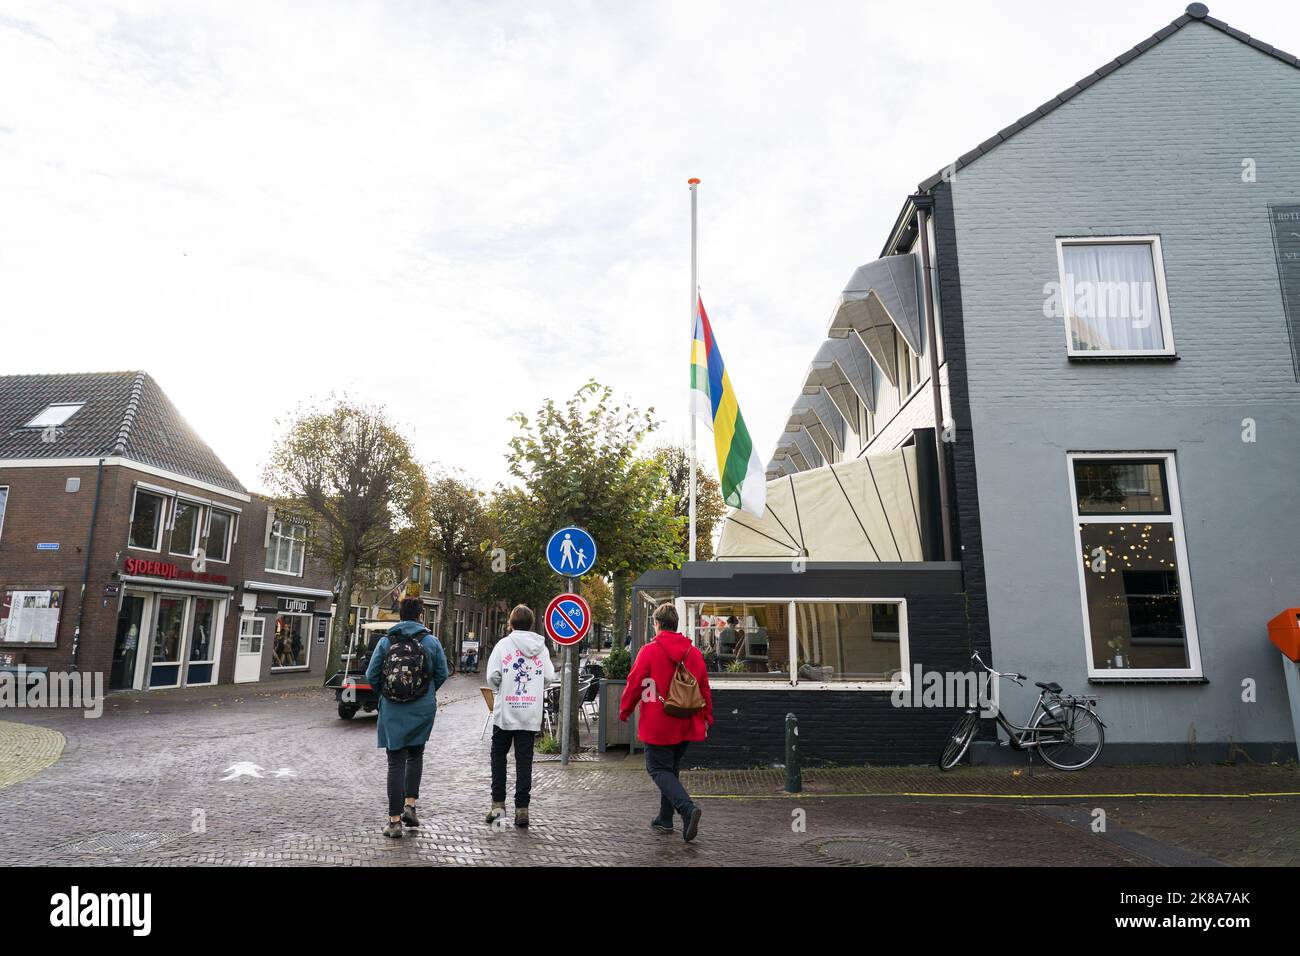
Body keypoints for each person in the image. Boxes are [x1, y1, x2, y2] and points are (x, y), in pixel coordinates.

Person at [619, 602, 713, 843]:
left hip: (659, 722)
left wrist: (625, 709)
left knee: (658, 769)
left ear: (657, 624)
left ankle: (687, 809)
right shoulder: (693, 652)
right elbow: (704, 687)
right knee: (670, 769)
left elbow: (634, 683)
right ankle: (665, 817)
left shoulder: (649, 651)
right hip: (687, 722)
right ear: (676, 624)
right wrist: (707, 716)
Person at [366, 597, 449, 839]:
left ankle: (394, 823)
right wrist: (426, 691)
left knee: (395, 763)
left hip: (392, 709)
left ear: (399, 615)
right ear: (420, 615)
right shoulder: (431, 641)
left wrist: (386, 693)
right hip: (422, 708)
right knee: (415, 754)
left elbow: (372, 674)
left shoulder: (386, 641)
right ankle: (410, 806)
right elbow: (442, 673)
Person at [484, 605, 557, 828]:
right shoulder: (541, 648)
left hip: (505, 713)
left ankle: (498, 806)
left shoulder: (503, 645)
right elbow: (549, 676)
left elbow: (492, 676)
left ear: (511, 623)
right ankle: (522, 810)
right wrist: (534, 688)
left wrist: (501, 690)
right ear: (531, 623)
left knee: (498, 757)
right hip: (529, 713)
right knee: (524, 761)